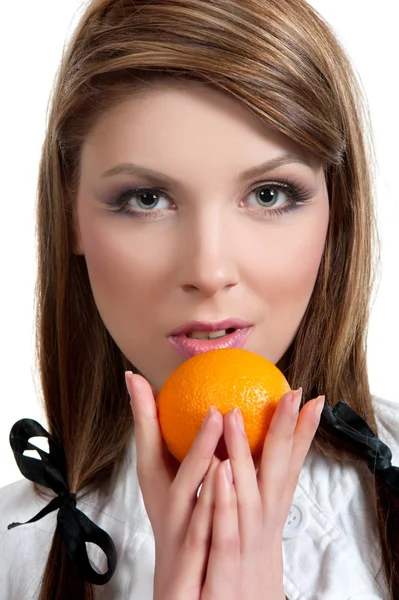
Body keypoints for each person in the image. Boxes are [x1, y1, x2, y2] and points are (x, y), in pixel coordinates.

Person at [0, 0, 398, 598]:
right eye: (146, 199)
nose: (209, 271)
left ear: (335, 211)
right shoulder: (15, 555)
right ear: (71, 216)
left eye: (268, 195)